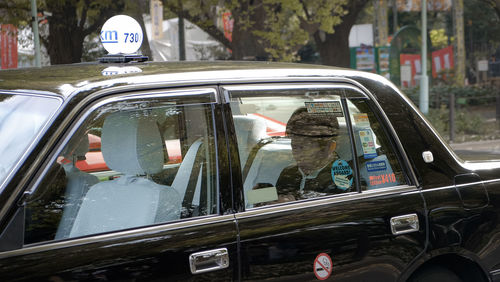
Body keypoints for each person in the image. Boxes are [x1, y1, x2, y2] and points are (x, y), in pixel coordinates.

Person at [275, 107, 353, 201]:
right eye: (294, 146)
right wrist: (259, 194)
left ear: (330, 147)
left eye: (303, 147)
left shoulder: (342, 177)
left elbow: (332, 208)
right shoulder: (289, 173)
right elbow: (278, 195)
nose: (296, 154)